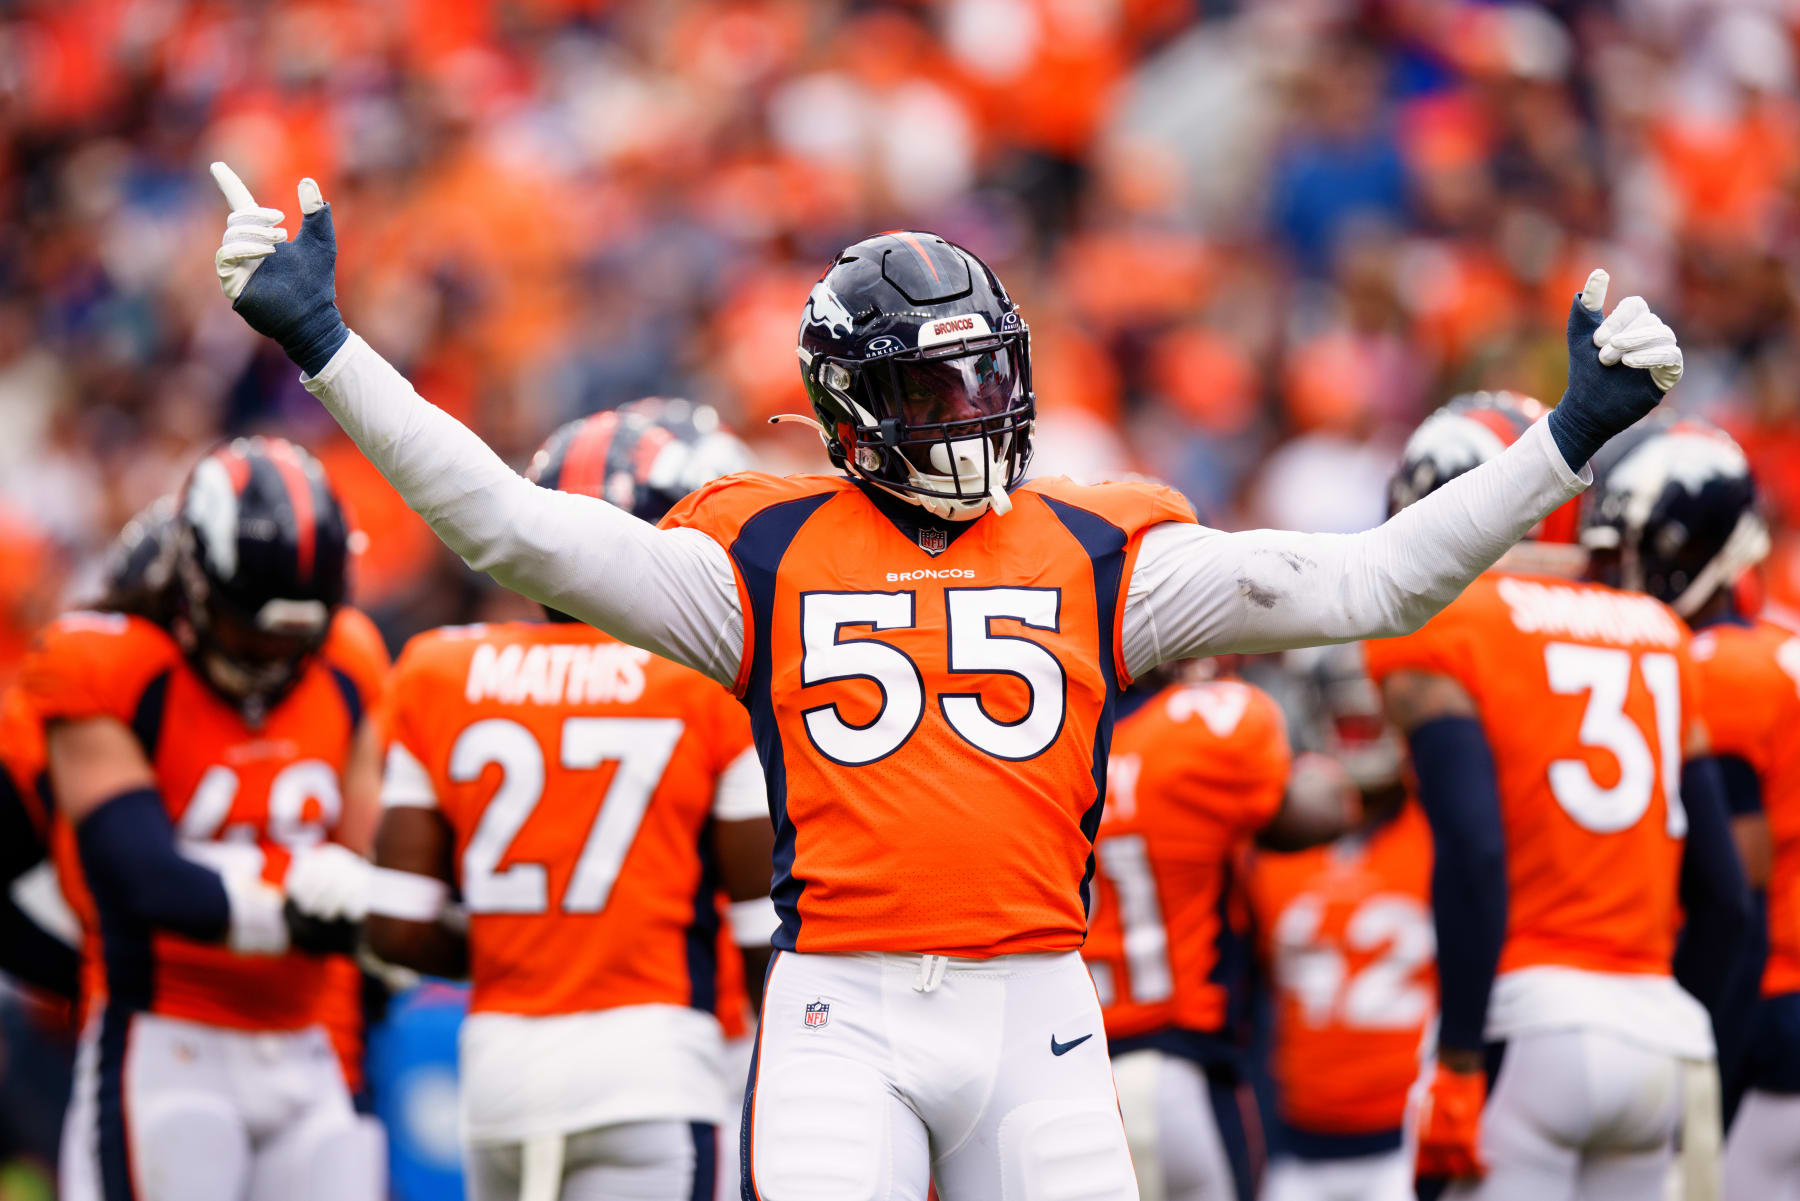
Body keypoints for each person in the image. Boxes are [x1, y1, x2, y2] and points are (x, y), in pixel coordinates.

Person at [209, 160, 1683, 1200]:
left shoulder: (1107, 541)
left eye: (987, 374)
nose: (974, 414)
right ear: (854, 405)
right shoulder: (761, 551)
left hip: (1042, 1000)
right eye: (932, 387)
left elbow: (1377, 581)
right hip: (842, 1003)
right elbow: (505, 522)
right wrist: (328, 347)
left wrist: (1569, 440)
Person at [365, 400, 776, 1201]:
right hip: (665, 1068)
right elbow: (766, 935)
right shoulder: (704, 689)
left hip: (499, 1078)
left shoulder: (437, 670)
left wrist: (533, 941)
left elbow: (398, 923)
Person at [1361, 392, 1753, 1201]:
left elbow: (1473, 854)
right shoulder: (1658, 630)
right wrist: (1683, 1031)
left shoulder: (1452, 624)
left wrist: (1461, 1059)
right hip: (1658, 1037)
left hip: (1523, 1021)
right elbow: (1723, 898)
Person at [23, 437, 391, 1201]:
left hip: (309, 1038)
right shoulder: (109, 664)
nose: (270, 659)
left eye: (293, 638)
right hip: (166, 1031)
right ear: (193, 585)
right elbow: (144, 879)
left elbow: (371, 868)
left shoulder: (351, 659)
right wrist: (298, 900)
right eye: (252, 631)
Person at [1578, 420, 1800, 1195]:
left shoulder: (1716, 670)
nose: (1634, 576)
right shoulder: (1775, 646)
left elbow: (1740, 886)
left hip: (1769, 1004)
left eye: (1652, 553)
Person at [1080, 663, 1303, 1201]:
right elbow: (1306, 814)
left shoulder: (1038, 744)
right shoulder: (1207, 723)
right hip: (1179, 1072)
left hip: (1067, 1082)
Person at [1247, 643, 1434, 1201]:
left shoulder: (1437, 832)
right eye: (1347, 715)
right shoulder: (1272, 846)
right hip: (1296, 1144)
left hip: (1407, 1141)